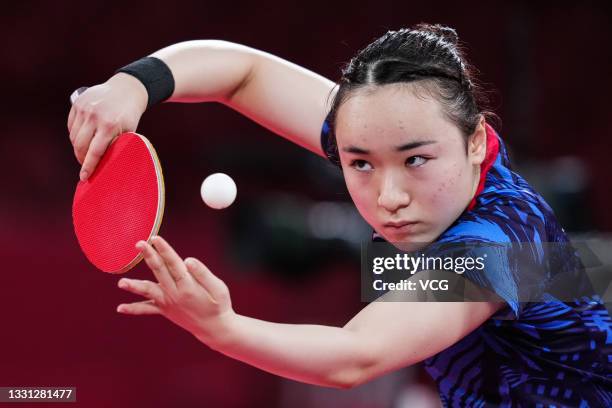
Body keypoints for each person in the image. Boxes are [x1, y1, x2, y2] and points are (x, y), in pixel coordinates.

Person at [67, 24, 612, 406]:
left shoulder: (493, 246)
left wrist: (224, 329)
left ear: (474, 141)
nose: (388, 195)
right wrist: (131, 85)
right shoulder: (414, 130)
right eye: (360, 164)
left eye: (415, 161)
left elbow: (356, 356)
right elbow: (242, 74)